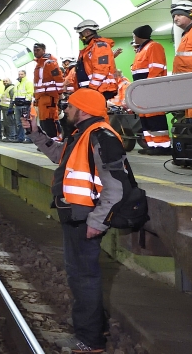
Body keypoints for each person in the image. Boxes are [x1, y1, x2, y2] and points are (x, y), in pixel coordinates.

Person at [22, 89, 127, 353]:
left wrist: (98, 221)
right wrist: (35, 132)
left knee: (83, 278)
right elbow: (59, 155)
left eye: (70, 107)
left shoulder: (100, 136)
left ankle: (89, 341)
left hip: (85, 218)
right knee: (82, 276)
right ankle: (96, 327)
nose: (65, 111)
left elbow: (116, 187)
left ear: (82, 110)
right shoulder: (83, 134)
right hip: (76, 215)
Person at [130, 25, 171, 154]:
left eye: (134, 35)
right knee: (145, 117)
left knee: (155, 117)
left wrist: (149, 85)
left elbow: (156, 68)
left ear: (139, 36)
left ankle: (163, 146)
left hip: (151, 88)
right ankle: (152, 145)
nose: (133, 38)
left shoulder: (153, 46)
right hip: (142, 89)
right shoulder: (141, 50)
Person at [72, 20, 118, 99]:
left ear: (87, 32)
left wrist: (92, 88)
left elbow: (101, 70)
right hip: (93, 89)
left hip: (99, 89)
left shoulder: (100, 46)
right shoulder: (90, 49)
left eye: (80, 34)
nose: (80, 37)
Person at [33, 43, 63, 139]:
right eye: (34, 50)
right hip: (42, 97)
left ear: (43, 50)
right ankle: (49, 141)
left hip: (49, 97)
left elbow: (58, 78)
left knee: (51, 120)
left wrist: (60, 94)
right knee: (44, 121)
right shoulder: (40, 64)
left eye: (38, 50)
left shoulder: (49, 63)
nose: (35, 52)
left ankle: (56, 140)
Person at [15, 70, 34, 142]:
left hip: (24, 105)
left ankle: (29, 138)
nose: (20, 75)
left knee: (26, 122)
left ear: (25, 75)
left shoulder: (28, 82)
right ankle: (20, 138)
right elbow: (15, 93)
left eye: (21, 74)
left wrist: (26, 101)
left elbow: (30, 92)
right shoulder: (17, 83)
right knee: (19, 123)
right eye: (19, 74)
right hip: (17, 105)